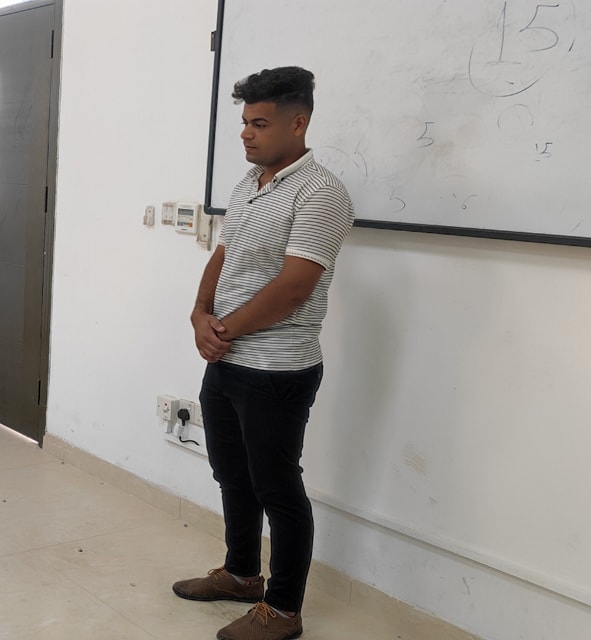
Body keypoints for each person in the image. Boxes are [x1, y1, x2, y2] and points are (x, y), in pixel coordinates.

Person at [172, 66, 354, 640]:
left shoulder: (321, 192)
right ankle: (242, 575)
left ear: (298, 123)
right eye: (245, 122)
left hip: (277, 368)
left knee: (277, 487)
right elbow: (223, 254)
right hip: (227, 361)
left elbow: (295, 286)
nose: (247, 134)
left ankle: (283, 609)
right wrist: (199, 313)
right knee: (232, 474)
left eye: (260, 123)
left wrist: (222, 329)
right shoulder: (248, 184)